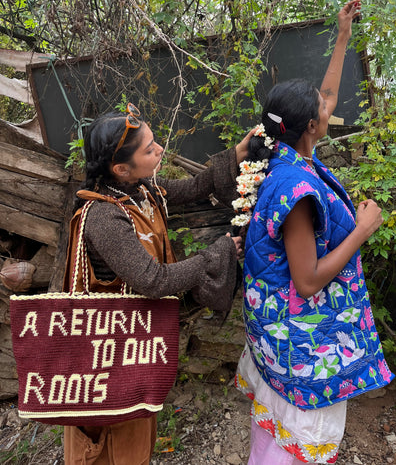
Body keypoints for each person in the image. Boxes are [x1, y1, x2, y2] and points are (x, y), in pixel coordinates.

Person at [234, 0, 394, 464]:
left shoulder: (282, 155)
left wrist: (343, 35)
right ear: (311, 127)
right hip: (300, 336)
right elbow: (307, 281)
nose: (329, 107)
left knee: (275, 425)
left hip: (274, 326)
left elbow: (325, 93)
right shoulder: (297, 192)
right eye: (322, 110)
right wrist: (362, 229)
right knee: (299, 435)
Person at [62, 104, 253, 464]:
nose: (160, 150)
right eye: (149, 149)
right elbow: (153, 280)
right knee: (111, 435)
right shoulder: (105, 216)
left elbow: (194, 186)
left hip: (133, 345)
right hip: (107, 355)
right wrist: (215, 254)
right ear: (120, 168)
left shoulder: (141, 188)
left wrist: (237, 155)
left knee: (138, 428)